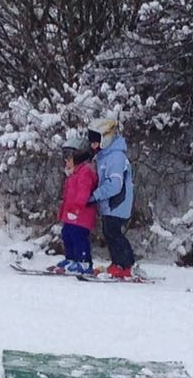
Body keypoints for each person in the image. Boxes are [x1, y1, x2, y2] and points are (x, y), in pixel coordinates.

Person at [87, 117, 138, 278]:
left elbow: (115, 184)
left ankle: (125, 265)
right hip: (110, 205)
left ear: (105, 138)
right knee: (109, 232)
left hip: (117, 203)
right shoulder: (106, 155)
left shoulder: (115, 157)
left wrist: (96, 195)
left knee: (113, 232)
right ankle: (118, 263)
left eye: (95, 141)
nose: (92, 145)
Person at [49, 134, 98, 275]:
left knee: (78, 236)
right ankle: (71, 258)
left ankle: (84, 261)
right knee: (66, 233)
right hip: (71, 213)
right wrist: (64, 211)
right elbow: (67, 196)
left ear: (79, 157)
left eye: (69, 157)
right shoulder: (73, 174)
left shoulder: (85, 172)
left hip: (81, 214)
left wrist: (77, 207)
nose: (66, 161)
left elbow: (83, 193)